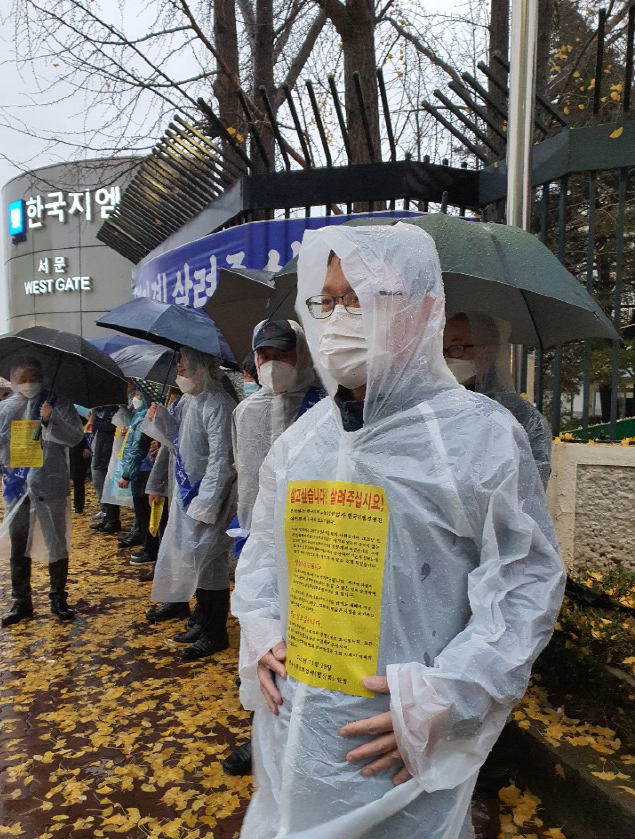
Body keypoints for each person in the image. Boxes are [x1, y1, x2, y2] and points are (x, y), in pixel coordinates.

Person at [231, 223, 565, 839]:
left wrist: (448, 696)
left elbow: (525, 584)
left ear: (421, 309)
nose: (338, 319)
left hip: (402, 752)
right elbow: (262, 558)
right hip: (296, 727)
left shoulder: (478, 439)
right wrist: (259, 626)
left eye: (360, 297)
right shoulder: (302, 443)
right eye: (327, 302)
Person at [442, 311, 554, 838]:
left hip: (497, 569)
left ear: (491, 351)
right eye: (447, 345)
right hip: (440, 571)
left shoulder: (521, 417)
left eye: (465, 345)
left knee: (491, 675)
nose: (456, 355)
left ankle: (487, 786)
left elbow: (527, 504)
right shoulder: (432, 409)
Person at [223, 321, 325, 777]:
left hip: (313, 550)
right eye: (263, 356)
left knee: (305, 649)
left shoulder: (325, 406)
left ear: (301, 355)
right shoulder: (246, 412)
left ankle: (304, 734)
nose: (271, 365)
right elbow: (244, 477)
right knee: (258, 647)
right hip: (257, 549)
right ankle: (257, 735)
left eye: (281, 355)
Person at [143, 346, 237, 661]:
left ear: (201, 366)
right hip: (188, 498)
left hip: (209, 500)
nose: (180, 371)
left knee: (212, 567)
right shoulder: (187, 401)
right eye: (179, 367)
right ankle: (202, 622)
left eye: (184, 366)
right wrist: (162, 420)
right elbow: (178, 442)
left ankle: (215, 633)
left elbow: (222, 461)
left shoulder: (218, 404)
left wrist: (206, 505)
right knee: (198, 563)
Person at [0, 357, 84, 625]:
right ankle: (22, 601)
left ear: (43, 377)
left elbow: (75, 437)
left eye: (33, 377)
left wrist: (50, 420)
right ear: (12, 380)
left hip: (51, 484)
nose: (29, 382)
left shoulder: (58, 402)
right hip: (17, 488)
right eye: (22, 378)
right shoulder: (2, 409)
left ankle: (59, 598)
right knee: (18, 545)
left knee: (57, 541)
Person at [443, 311, 552, 488]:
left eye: (456, 349)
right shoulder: (431, 408)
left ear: (487, 353)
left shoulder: (521, 418)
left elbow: (529, 492)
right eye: (440, 350)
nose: (446, 358)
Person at [116, 386, 160, 568]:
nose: (136, 398)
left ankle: (150, 550)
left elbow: (138, 448)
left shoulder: (147, 416)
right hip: (140, 471)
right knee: (142, 514)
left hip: (145, 470)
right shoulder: (139, 415)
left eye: (138, 394)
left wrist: (127, 473)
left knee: (147, 514)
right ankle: (147, 547)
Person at [89, 405, 121, 530]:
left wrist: (94, 420)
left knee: (108, 487)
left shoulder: (114, 409)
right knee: (101, 486)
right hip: (99, 451)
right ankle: (107, 517)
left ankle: (113, 521)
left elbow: (109, 426)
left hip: (108, 453)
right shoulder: (100, 410)